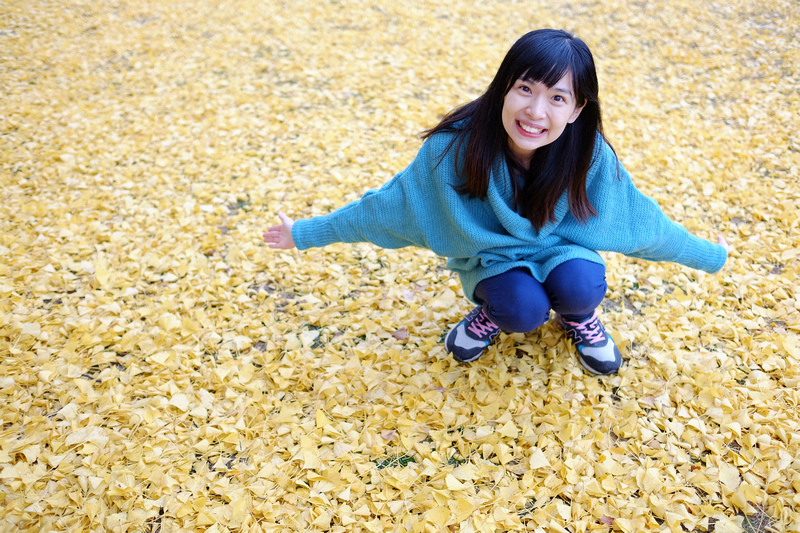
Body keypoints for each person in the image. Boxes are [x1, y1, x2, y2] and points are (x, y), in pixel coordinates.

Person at [263, 29, 728, 375]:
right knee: (522, 309)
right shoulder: (452, 149)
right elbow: (388, 207)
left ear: (578, 108)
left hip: (561, 251)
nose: (536, 111)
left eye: (557, 97)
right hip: (493, 258)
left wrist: (708, 255)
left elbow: (642, 223)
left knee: (583, 284)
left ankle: (579, 318)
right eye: (525, 88)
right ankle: (490, 312)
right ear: (503, 86)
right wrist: (304, 233)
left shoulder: (589, 158)